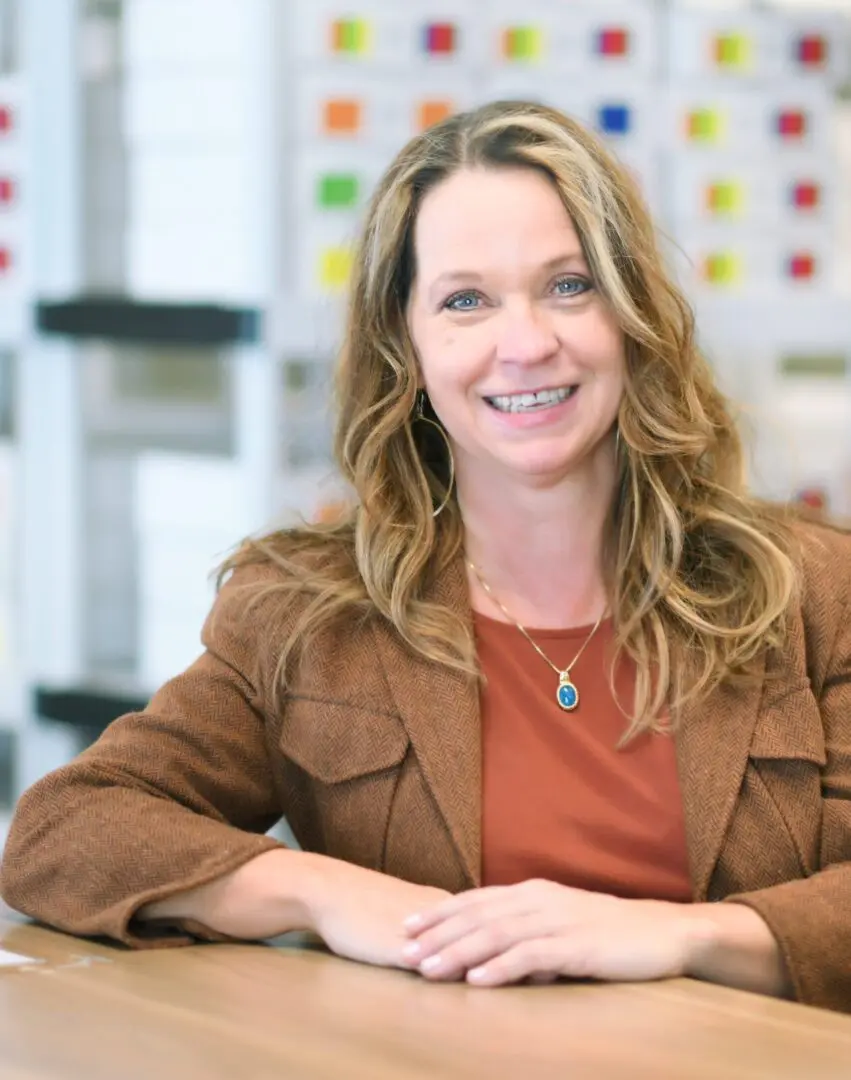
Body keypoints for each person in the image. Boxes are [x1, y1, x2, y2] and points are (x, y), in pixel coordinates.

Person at [2, 100, 850, 1014]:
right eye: (464, 301)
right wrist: (325, 893)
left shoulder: (808, 591)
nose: (525, 344)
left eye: (568, 285)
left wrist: (685, 936)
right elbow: (63, 831)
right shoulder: (306, 613)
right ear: (402, 348)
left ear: (632, 314)